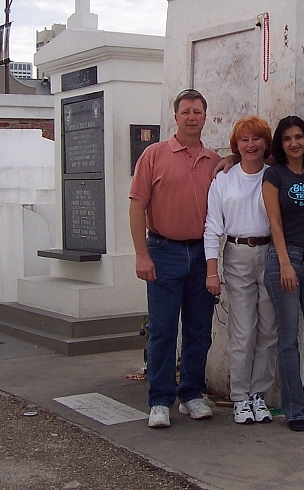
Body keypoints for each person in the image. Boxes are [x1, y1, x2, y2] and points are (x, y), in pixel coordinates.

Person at [129, 89, 220, 429]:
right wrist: (142, 254)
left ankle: (192, 394)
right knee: (163, 329)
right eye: (186, 111)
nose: (192, 117)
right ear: (176, 116)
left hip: (201, 254)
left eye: (197, 111)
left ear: (205, 116)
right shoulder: (153, 156)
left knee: (199, 330)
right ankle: (160, 399)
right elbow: (136, 205)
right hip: (163, 252)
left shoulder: (213, 161)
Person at [204, 116, 277, 425]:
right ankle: (239, 397)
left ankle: (259, 395)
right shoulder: (224, 179)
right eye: (244, 140)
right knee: (243, 330)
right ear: (236, 145)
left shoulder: (275, 177)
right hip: (237, 255)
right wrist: (212, 272)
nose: (251, 145)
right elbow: (211, 228)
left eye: (256, 139)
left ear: (265, 144)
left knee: (269, 330)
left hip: (270, 253)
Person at [262, 116, 304, 432]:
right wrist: (286, 264)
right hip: (285, 259)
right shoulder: (274, 176)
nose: (294, 143)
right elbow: (274, 222)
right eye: (287, 138)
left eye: (298, 137)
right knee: (288, 339)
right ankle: (294, 410)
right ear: (281, 143)